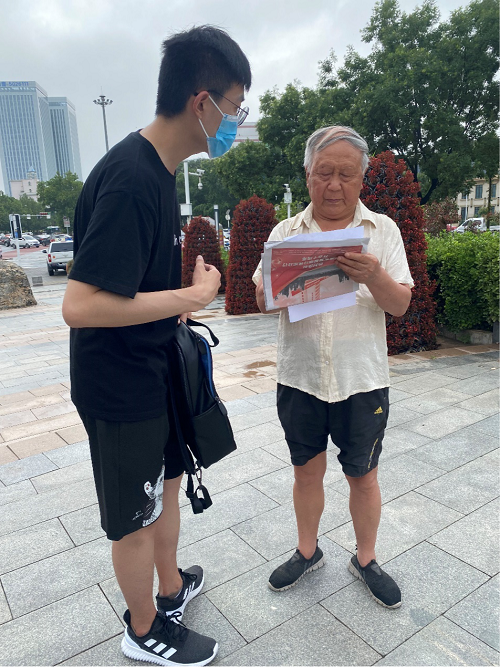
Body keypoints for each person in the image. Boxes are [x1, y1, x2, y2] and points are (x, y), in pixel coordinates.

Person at [62, 26, 251, 666]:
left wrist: (183, 294)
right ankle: (143, 629)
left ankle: (169, 590)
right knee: (135, 515)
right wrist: (187, 298)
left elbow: (135, 285)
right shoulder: (130, 179)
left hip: (153, 370)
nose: (235, 122)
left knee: (169, 484)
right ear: (202, 103)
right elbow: (80, 305)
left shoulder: (160, 171)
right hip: (119, 385)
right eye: (234, 107)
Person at [253, 126, 413, 609]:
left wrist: (374, 275)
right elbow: (261, 299)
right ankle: (308, 551)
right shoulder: (286, 233)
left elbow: (400, 305)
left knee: (363, 476)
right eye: (324, 172)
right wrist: (282, 287)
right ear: (307, 175)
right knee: (306, 472)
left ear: (362, 178)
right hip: (300, 377)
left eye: (346, 174)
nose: (335, 185)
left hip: (361, 380)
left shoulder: (382, 231)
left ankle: (366, 559)